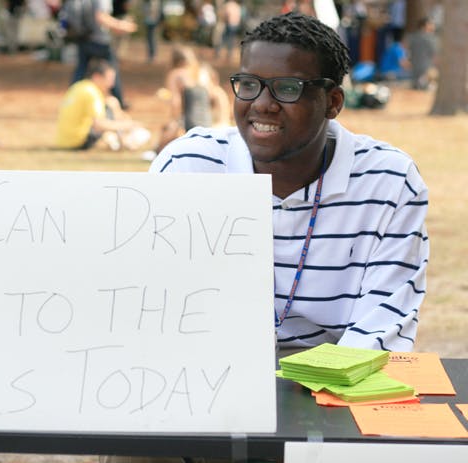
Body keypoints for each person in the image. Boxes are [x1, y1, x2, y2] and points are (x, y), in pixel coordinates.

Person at [150, 12, 429, 352]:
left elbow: (379, 332)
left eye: (288, 88)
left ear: (333, 103)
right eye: (249, 85)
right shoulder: (187, 166)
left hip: (328, 386)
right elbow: (149, 300)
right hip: (204, 374)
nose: (263, 104)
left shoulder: (389, 183)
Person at [142, 45, 230, 159]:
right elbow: (212, 97)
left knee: (169, 130)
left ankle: (156, 152)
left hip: (189, 123)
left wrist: (174, 121)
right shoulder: (202, 73)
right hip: (206, 123)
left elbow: (176, 102)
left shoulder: (176, 74)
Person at [56, 58, 150, 151]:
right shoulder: (92, 93)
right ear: (96, 77)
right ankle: (123, 141)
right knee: (111, 106)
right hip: (78, 141)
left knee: (110, 105)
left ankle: (117, 140)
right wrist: (128, 125)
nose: (112, 84)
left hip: (63, 141)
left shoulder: (79, 86)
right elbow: (99, 124)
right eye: (109, 79)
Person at [70, 0, 137, 110]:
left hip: (84, 38)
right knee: (112, 69)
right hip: (100, 41)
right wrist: (120, 25)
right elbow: (101, 16)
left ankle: (72, 97)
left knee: (81, 70)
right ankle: (118, 101)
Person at [408, 17, 437, 90]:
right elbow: (434, 54)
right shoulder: (430, 38)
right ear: (425, 25)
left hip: (414, 66)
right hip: (426, 67)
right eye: (431, 24)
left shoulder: (412, 37)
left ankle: (419, 83)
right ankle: (422, 82)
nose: (433, 26)